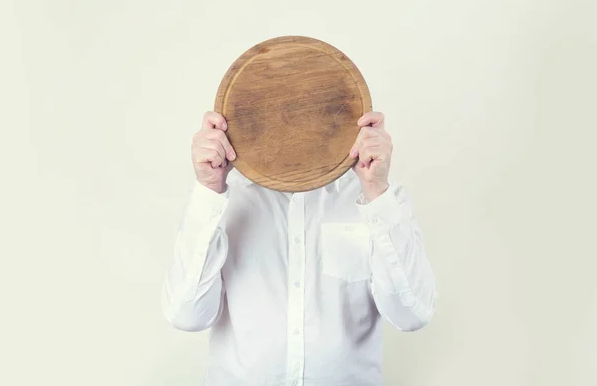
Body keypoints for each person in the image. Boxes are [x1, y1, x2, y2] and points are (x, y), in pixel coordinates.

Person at [161, 110, 437, 385]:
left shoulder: (378, 195)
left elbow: (411, 315)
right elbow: (187, 315)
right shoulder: (221, 197)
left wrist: (376, 190)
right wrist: (209, 188)